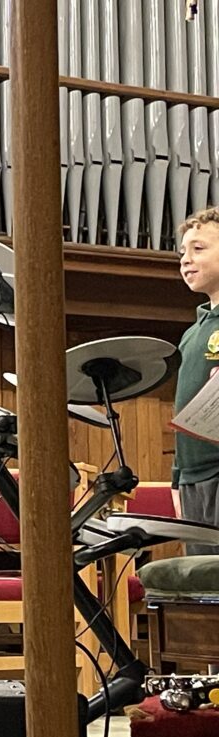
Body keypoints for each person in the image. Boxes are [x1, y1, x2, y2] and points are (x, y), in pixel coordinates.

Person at [172, 208, 219, 554]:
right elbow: (183, 410)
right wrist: (177, 479)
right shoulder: (191, 334)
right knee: (201, 578)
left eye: (198, 249)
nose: (185, 260)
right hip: (192, 478)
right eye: (182, 253)